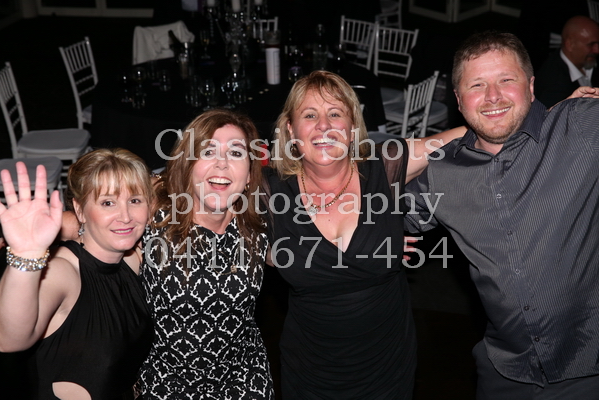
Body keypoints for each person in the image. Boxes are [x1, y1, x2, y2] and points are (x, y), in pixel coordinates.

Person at [404, 31, 599, 399]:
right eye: (477, 85)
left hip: (589, 369)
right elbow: (366, 206)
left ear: (531, 86)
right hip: (505, 372)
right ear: (458, 99)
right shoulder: (443, 172)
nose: (492, 95)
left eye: (506, 80)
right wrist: (381, 235)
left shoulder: (580, 126)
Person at [261, 70, 465, 399]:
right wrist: (266, 253)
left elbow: (468, 134)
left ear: (353, 127)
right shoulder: (269, 191)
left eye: (335, 114)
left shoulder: (385, 166)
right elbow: (205, 207)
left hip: (386, 366)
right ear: (290, 129)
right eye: (309, 115)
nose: (323, 126)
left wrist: (537, 113)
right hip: (310, 369)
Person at [137, 109, 274, 399]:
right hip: (167, 385)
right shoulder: (152, 218)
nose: (222, 163)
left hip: (245, 381)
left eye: (236, 153)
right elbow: (94, 223)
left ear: (250, 174)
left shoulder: (258, 223)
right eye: (208, 151)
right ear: (188, 165)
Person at [0, 149, 154, 399]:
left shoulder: (132, 259)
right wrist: (26, 255)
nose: (125, 216)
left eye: (135, 200)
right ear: (80, 211)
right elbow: (8, 340)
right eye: (108, 203)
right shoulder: (62, 271)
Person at [535, 15, 599, 107]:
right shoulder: (553, 87)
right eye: (591, 44)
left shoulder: (588, 62)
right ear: (570, 44)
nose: (597, 50)